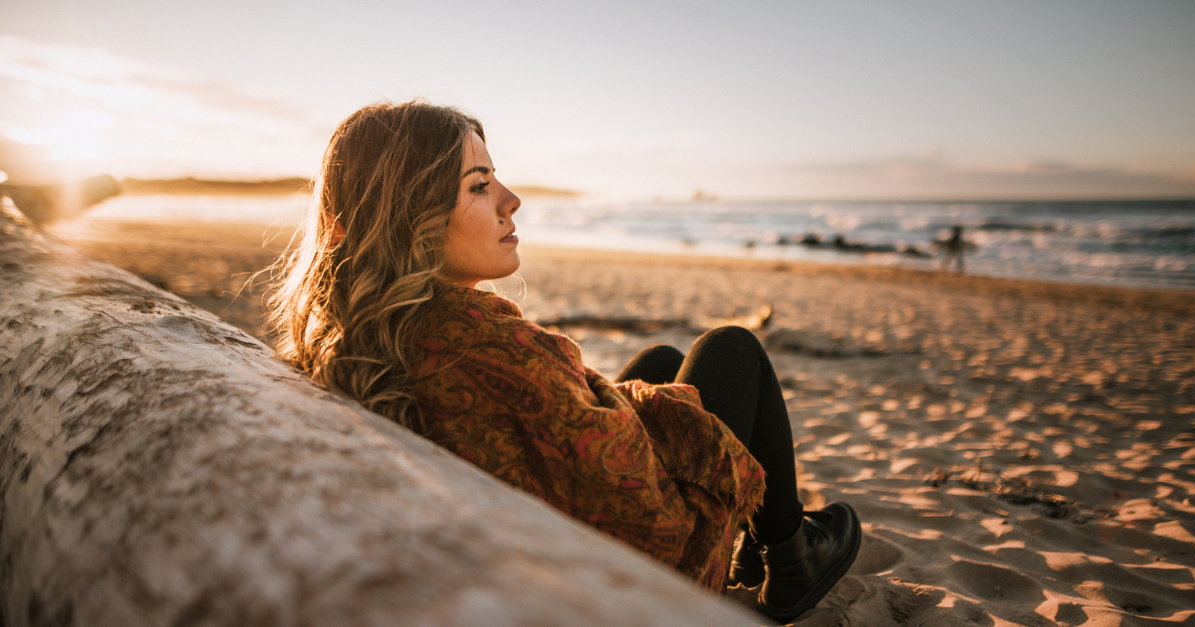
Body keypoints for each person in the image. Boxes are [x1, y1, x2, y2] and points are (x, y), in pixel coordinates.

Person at [269, 101, 861, 622]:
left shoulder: (375, 329)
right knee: (731, 350)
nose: (511, 200)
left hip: (522, 537)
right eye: (479, 186)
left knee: (660, 360)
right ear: (407, 219)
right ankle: (790, 558)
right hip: (624, 580)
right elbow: (636, 509)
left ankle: (769, 541)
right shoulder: (479, 347)